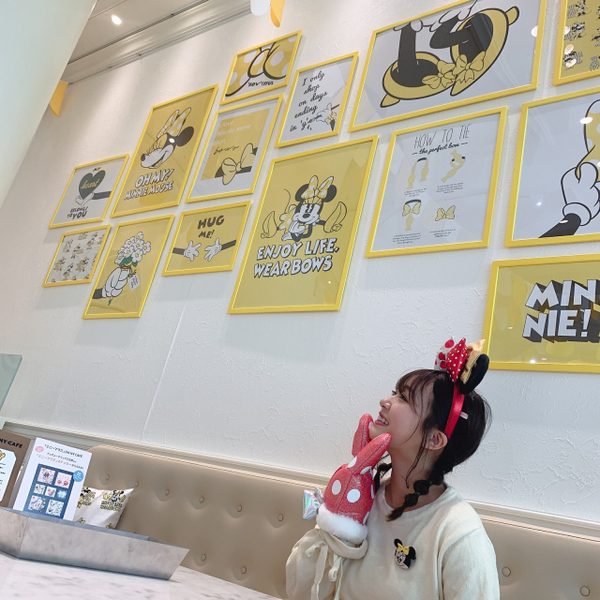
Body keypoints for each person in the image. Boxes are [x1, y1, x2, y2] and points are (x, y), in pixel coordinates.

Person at [286, 338, 499, 600]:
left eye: (404, 398)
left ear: (434, 439)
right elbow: (300, 592)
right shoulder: (363, 496)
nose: (385, 401)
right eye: (394, 392)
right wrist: (339, 520)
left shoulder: (459, 534)